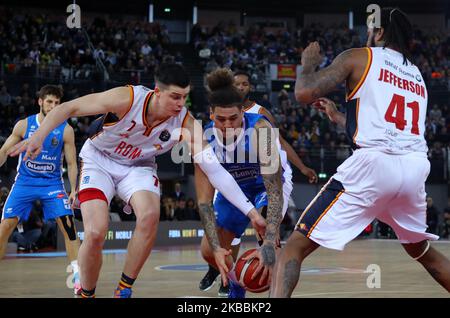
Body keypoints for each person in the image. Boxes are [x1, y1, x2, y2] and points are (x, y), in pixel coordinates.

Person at [9, 63, 266, 298]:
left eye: (184, 96)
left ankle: (124, 289)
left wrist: (252, 213)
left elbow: (217, 172)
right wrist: (39, 136)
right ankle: (86, 292)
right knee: (96, 231)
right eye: (174, 96)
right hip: (99, 159)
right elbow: (69, 108)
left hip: (138, 167)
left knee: (150, 214)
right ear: (157, 91)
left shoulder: (186, 124)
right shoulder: (128, 97)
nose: (180, 103)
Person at [270, 8, 450, 297]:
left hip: (374, 167)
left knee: (294, 246)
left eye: (370, 29)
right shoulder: (417, 76)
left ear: (379, 32)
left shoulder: (361, 56)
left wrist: (307, 65)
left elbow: (304, 93)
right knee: (421, 250)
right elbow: (390, 128)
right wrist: (340, 117)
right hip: (415, 167)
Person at [199, 70, 317, 294]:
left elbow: (274, 191)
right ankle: (236, 281)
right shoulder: (204, 138)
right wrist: (215, 248)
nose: (227, 125)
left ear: (242, 112)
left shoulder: (260, 128)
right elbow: (204, 201)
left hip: (267, 185)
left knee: (268, 249)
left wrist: (271, 237)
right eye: (221, 119)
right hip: (234, 187)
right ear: (211, 114)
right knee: (208, 250)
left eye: (233, 118)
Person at [0, 85, 82, 295]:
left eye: (57, 103)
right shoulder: (23, 125)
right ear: (40, 102)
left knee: (68, 226)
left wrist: (74, 188)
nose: (53, 106)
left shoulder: (65, 129)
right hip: (24, 183)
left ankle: (78, 277)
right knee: (4, 228)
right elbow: (4, 150)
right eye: (49, 102)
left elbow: (72, 163)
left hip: (52, 184)